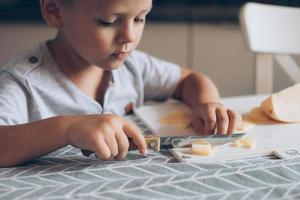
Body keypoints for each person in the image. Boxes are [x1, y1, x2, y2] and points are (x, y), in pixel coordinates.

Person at [0, 0, 240, 167]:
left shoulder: (133, 67)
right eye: (108, 21)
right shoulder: (22, 81)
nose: (130, 36)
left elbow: (189, 79)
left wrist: (207, 103)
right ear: (54, 10)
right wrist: (67, 129)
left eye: (140, 18)